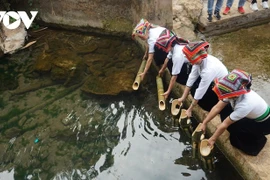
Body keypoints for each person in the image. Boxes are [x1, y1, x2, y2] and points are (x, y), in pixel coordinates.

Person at [200, 69, 270, 156]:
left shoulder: (246, 104)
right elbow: (217, 107)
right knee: (225, 111)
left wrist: (213, 139)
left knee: (235, 134)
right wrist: (204, 123)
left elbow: (225, 124)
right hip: (249, 115)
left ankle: (258, 140)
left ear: (235, 94)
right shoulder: (232, 93)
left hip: (264, 124)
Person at [177, 41, 229, 116]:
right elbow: (191, 78)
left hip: (221, 89)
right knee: (193, 89)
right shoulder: (198, 63)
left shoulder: (208, 70)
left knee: (202, 100)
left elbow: (201, 90)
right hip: (212, 83)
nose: (190, 62)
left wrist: (190, 109)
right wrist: (183, 98)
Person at [155, 29, 190, 99]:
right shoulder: (174, 46)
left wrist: (168, 91)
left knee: (177, 77)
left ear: (168, 45)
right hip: (186, 60)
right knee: (170, 64)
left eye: (163, 47)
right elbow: (167, 58)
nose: (162, 49)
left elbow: (174, 76)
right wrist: (162, 70)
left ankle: (186, 83)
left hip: (192, 65)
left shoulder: (177, 55)